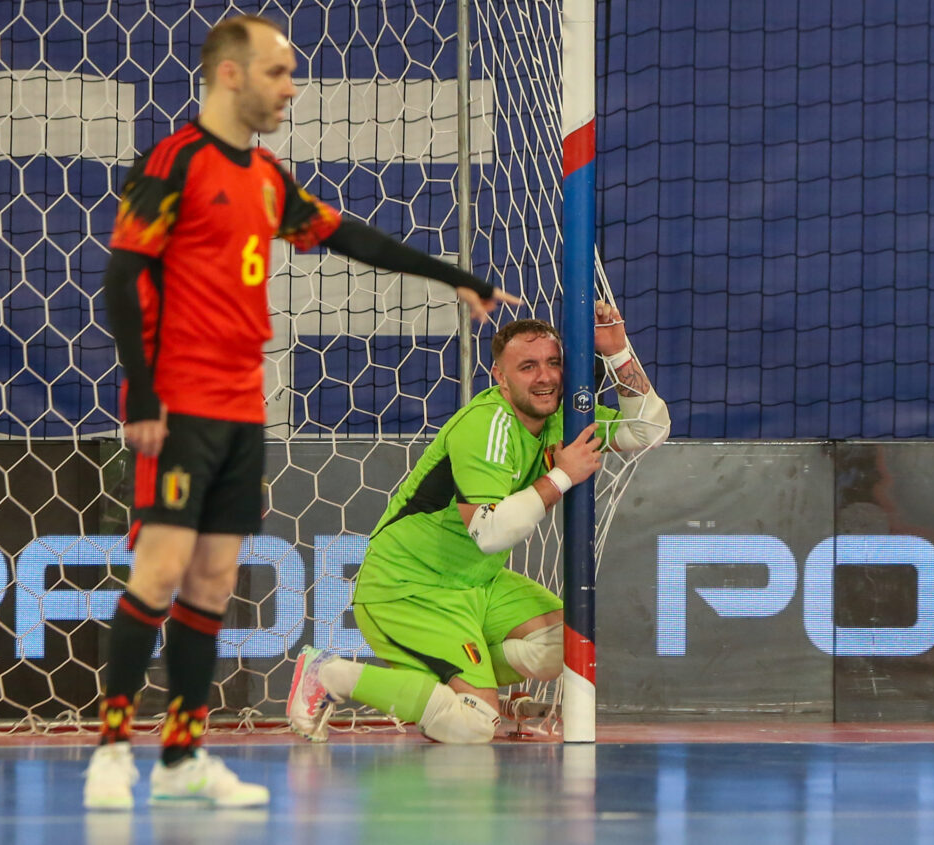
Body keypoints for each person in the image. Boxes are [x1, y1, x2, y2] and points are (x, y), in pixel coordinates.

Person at [85, 14, 518, 810]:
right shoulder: (173, 163)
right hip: (178, 402)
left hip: (243, 408)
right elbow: (122, 276)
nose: (291, 87)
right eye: (279, 72)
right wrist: (141, 393)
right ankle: (114, 747)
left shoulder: (266, 177)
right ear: (230, 75)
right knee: (161, 570)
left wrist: (451, 273)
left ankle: (182, 755)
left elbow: (345, 235)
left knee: (212, 582)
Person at [287, 300, 670, 744]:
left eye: (552, 363)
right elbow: (490, 533)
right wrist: (562, 475)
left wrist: (619, 351)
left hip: (477, 585)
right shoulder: (487, 425)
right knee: (473, 726)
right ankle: (328, 673)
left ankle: (463, 688)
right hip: (411, 588)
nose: (545, 377)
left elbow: (649, 430)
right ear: (500, 380)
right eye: (527, 367)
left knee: (568, 643)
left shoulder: (559, 417)